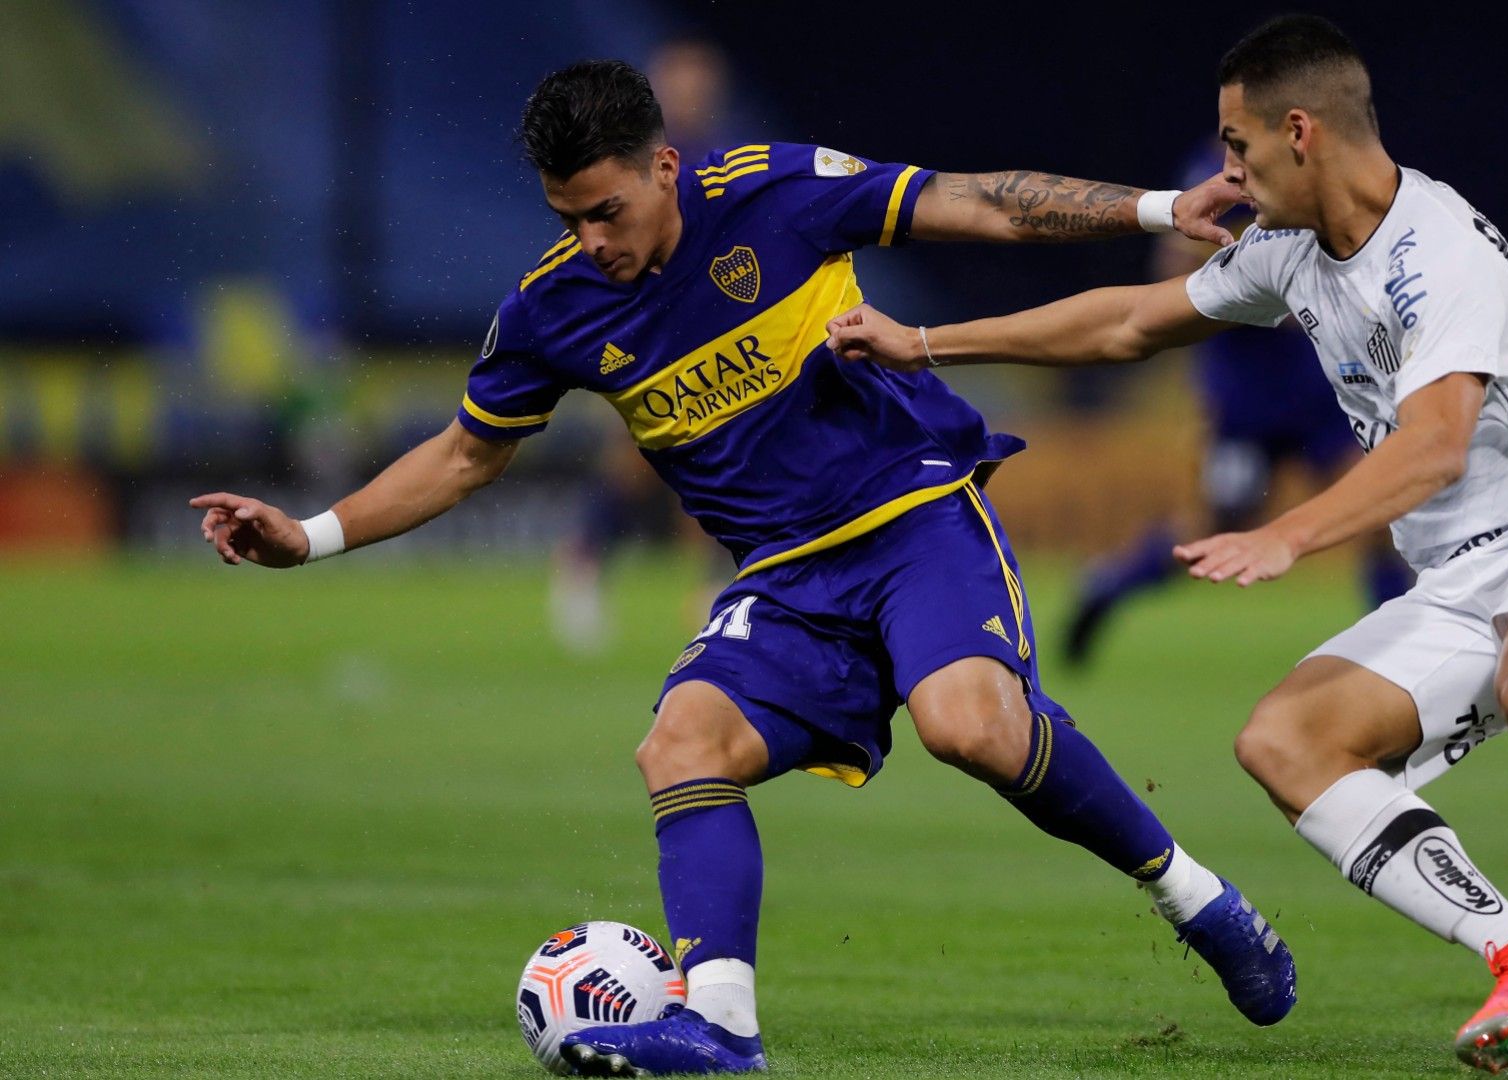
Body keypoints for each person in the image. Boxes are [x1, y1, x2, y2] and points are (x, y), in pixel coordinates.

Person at [191, 59, 1296, 1077]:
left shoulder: (775, 192)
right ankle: (722, 1027)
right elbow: (465, 454)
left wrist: (1157, 210)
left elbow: (978, 201)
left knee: (972, 726)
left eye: (607, 212)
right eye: (566, 219)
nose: (591, 241)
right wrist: (312, 534)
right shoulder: (551, 310)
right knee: (680, 741)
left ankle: (1199, 903)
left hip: (911, 510)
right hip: (787, 578)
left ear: (664, 168)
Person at [826, 16, 1508, 1079]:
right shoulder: (1293, 252)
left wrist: (1287, 537)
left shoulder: (1435, 250)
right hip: (1464, 574)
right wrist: (925, 343)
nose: (1227, 172)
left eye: (1237, 147)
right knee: (1287, 743)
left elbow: (1435, 446)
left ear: (1301, 132)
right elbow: (1127, 324)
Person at [1063, 137, 1409, 667]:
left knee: (1377, 513)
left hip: (1321, 393)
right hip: (1247, 402)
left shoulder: (1320, 166)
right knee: (1216, 529)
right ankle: (1110, 584)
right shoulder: (1219, 172)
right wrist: (1263, 281)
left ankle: (1397, 656)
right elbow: (1175, 263)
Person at [550, 38, 744, 653]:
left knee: (735, 448)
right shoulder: (626, 159)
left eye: (700, 83)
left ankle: (718, 589)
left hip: (711, 327)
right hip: (641, 329)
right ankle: (582, 565)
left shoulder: (722, 155)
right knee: (635, 464)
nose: (692, 93)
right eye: (681, 82)